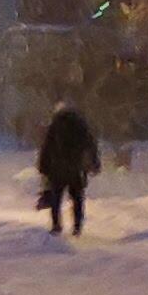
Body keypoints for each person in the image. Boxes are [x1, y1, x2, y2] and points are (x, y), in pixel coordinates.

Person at [34, 100, 102, 237]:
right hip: (75, 169)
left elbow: (47, 148)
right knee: (77, 198)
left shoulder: (55, 126)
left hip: (57, 169)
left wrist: (43, 167)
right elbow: (90, 145)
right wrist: (94, 163)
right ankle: (77, 227)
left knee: (56, 199)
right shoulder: (81, 126)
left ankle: (56, 226)